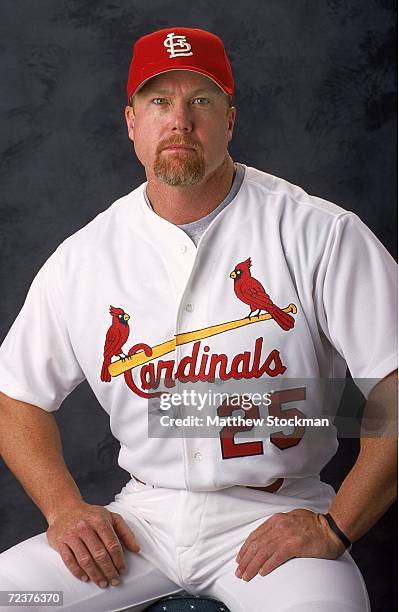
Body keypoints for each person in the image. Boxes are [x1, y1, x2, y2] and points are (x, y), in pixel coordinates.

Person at [0, 27, 396, 612]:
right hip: (144, 521)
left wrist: (335, 527)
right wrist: (64, 508)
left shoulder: (319, 233)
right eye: (159, 101)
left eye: (201, 101)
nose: (179, 120)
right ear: (131, 120)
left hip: (279, 517)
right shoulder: (84, 256)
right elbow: (15, 398)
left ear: (230, 120)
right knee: (14, 596)